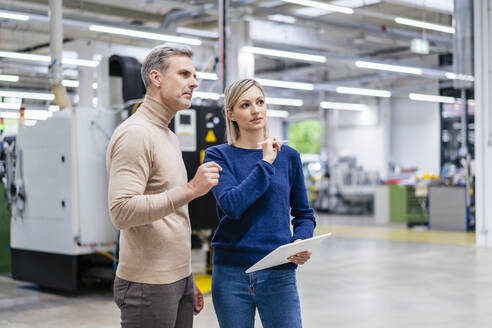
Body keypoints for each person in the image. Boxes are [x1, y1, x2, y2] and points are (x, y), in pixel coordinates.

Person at [106, 44, 222, 328]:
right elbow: (121, 211)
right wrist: (191, 190)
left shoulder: (168, 136)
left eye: (194, 75)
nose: (194, 82)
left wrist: (185, 277)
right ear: (156, 78)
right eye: (184, 74)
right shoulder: (136, 134)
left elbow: (173, 218)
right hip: (148, 285)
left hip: (175, 280)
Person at [204, 78, 316, 328]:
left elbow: (303, 213)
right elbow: (232, 205)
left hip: (278, 270)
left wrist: (301, 239)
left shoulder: (289, 157)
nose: (255, 110)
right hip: (231, 273)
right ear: (230, 113)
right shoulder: (218, 155)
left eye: (260, 102)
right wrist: (265, 162)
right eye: (245, 105)